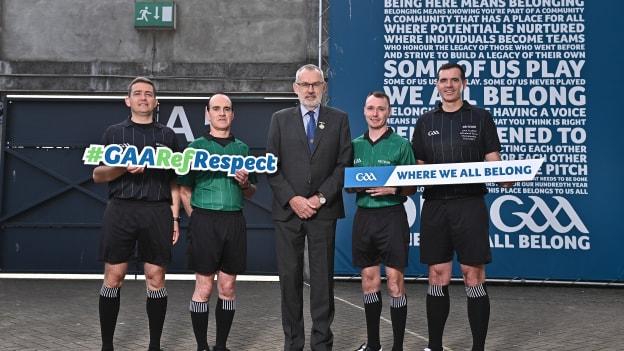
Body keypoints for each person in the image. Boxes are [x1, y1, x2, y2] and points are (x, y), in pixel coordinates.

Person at [411, 62, 511, 351]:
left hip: (470, 205)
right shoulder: (426, 122)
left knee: (473, 275)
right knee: (437, 275)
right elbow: (417, 169)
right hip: (435, 206)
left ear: (464, 83)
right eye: (443, 80)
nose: (449, 85)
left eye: (455, 80)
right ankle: (434, 346)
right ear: (437, 84)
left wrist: (506, 178)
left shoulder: (481, 117)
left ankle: (478, 347)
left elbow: (494, 160)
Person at [267, 64, 352, 351]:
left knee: (322, 280)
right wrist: (293, 199)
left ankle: (322, 344)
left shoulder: (339, 120)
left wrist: (319, 198)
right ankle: (293, 343)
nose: (310, 89)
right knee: (289, 280)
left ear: (324, 87)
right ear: (296, 88)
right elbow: (271, 166)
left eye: (316, 84)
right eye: (305, 84)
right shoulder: (279, 119)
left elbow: (343, 165)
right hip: (288, 212)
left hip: (323, 211)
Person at [93, 76, 181, 351]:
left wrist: (175, 217)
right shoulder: (113, 134)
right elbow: (97, 174)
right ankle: (107, 345)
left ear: (156, 101)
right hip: (121, 209)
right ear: (127, 100)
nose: (144, 98)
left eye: (149, 94)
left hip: (156, 210)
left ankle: (154, 345)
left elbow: (174, 181)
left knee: (155, 278)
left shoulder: (167, 136)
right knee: (113, 276)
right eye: (138, 93)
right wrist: (121, 167)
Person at [178, 94, 257, 351]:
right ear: (207, 113)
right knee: (204, 286)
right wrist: (197, 218)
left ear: (233, 114)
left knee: (228, 285)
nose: (222, 113)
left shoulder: (243, 149)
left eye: (227, 109)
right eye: (216, 109)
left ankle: (221, 346)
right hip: (204, 220)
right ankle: (202, 346)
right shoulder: (194, 148)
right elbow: (184, 189)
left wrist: (245, 184)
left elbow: (251, 191)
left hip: (234, 220)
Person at [350, 92, 416, 351]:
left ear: (388, 112)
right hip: (365, 217)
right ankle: (374, 344)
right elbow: (346, 183)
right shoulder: (354, 145)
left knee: (395, 283)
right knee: (369, 281)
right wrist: (357, 185)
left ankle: (397, 346)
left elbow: (412, 186)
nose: (375, 113)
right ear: (364, 111)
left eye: (380, 109)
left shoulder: (401, 144)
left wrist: (393, 190)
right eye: (370, 108)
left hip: (392, 218)